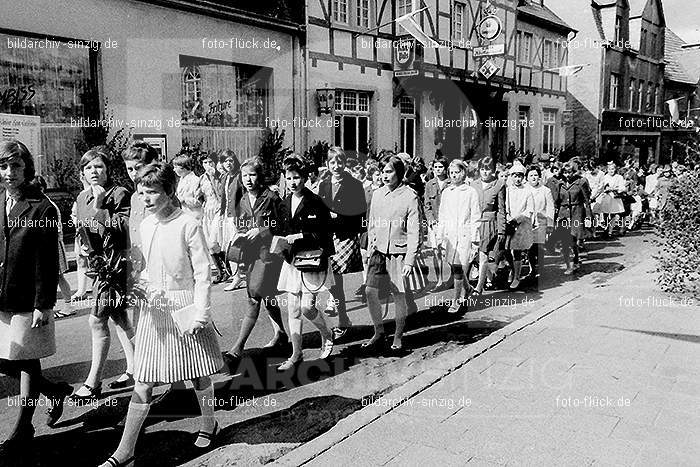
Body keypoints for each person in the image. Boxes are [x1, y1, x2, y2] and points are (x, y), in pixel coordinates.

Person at [98, 163, 222, 467]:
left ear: (169, 191)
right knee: (144, 378)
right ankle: (125, 450)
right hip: (154, 309)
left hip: (185, 306)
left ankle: (209, 423)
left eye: (152, 191)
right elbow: (143, 266)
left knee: (197, 372)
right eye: (142, 192)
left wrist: (201, 313)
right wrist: (140, 288)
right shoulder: (146, 225)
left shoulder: (189, 223)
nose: (146, 198)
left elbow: (203, 273)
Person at [0, 140, 72, 452]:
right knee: (5, 359)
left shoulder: (40, 207)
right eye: (3, 166)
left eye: (15, 166)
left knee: (27, 359)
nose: (9, 172)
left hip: (27, 296)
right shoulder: (0, 200)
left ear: (27, 167)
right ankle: (54, 391)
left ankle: (22, 428)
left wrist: (45, 303)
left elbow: (46, 260)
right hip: (0, 293)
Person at [70, 147, 136, 401]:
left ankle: (93, 382)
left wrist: (100, 207)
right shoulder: (82, 197)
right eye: (88, 168)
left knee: (96, 320)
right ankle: (137, 368)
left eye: (98, 167)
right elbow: (83, 230)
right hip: (98, 267)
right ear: (83, 173)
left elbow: (125, 227)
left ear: (108, 171)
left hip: (116, 266)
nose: (93, 172)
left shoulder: (118, 193)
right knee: (120, 318)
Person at [222, 157, 288, 372]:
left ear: (260, 176)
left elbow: (283, 223)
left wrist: (260, 231)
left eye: (252, 175)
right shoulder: (241, 200)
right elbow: (241, 224)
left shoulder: (271, 197)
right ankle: (282, 335)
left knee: (253, 298)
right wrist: (241, 236)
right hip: (250, 256)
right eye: (245, 176)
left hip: (268, 256)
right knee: (267, 296)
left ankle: (237, 348)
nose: (248, 180)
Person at [276, 156, 335, 371]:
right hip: (292, 262)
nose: (293, 182)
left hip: (312, 261)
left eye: (297, 177)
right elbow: (280, 230)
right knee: (292, 309)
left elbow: (324, 233)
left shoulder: (315, 202)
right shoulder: (283, 203)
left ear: (305, 177)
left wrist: (300, 236)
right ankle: (296, 354)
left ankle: (327, 334)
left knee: (307, 308)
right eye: (289, 178)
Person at [364, 155, 421, 352]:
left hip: (399, 253)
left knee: (398, 295)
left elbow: (415, 231)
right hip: (378, 252)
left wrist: (409, 260)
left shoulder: (410, 196)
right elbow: (372, 224)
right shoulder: (378, 194)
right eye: (382, 172)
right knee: (369, 292)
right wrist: (371, 246)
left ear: (399, 173)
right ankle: (379, 331)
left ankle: (398, 335)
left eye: (389, 171)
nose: (384, 176)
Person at [317, 147, 366, 340]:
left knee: (336, 276)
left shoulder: (354, 184)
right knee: (333, 281)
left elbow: (361, 215)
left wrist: (340, 218)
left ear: (345, 163)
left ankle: (342, 320)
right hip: (329, 236)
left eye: (339, 162)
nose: (336, 166)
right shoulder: (324, 184)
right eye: (332, 163)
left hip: (345, 236)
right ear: (327, 165)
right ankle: (343, 318)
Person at [436, 159, 481, 313]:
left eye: (457, 172)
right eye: (452, 173)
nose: (454, 176)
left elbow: (475, 216)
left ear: (463, 173)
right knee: (453, 264)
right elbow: (442, 215)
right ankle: (468, 288)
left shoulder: (470, 192)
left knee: (457, 266)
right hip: (449, 234)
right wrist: (440, 237)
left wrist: (475, 239)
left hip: (464, 234)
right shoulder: (447, 192)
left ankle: (455, 301)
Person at [34, 176, 73, 319]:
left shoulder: (48, 205)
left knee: (58, 277)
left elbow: (53, 230)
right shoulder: (40, 204)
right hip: (49, 245)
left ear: (42, 189)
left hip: (54, 245)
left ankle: (68, 305)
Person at [471, 157, 506, 294]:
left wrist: (501, 230)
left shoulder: (499, 184)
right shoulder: (473, 185)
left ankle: (479, 286)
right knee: (473, 255)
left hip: (489, 223)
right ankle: (490, 276)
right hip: (474, 223)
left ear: (493, 170)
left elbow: (501, 210)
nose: (485, 172)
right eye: (482, 169)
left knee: (483, 255)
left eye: (488, 169)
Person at [552, 161, 592, 275]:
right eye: (565, 172)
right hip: (563, 213)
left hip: (576, 213)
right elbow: (556, 201)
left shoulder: (581, 182)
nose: (567, 175)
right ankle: (570, 263)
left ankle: (575, 259)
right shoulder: (559, 183)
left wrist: (588, 217)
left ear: (574, 172)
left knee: (573, 239)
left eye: (569, 172)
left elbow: (586, 201)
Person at [199, 153, 229, 284]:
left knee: (214, 241)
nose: (208, 165)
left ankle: (228, 269)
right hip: (207, 211)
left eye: (210, 162)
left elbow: (221, 193)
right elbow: (200, 195)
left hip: (218, 209)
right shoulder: (201, 178)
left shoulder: (219, 176)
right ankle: (221, 272)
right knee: (209, 244)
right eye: (205, 163)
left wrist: (213, 176)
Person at [505, 161, 535, 289]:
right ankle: (513, 269)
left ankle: (517, 276)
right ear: (511, 177)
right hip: (508, 223)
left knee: (517, 251)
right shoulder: (507, 190)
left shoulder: (527, 191)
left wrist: (517, 219)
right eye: (515, 176)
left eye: (520, 176)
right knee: (506, 250)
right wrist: (508, 216)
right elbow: (504, 206)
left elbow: (529, 210)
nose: (517, 179)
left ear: (523, 177)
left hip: (521, 225)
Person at [424, 156, 451, 293]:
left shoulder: (451, 183)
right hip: (434, 223)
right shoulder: (429, 184)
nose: (438, 170)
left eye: (441, 167)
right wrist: (431, 221)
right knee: (436, 251)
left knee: (449, 251)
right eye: (436, 167)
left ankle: (452, 277)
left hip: (449, 223)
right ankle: (440, 280)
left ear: (446, 168)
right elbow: (427, 205)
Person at [219, 150, 244, 291]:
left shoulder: (239, 177)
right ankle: (237, 277)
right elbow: (224, 199)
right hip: (228, 218)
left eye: (230, 160)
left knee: (238, 247)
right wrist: (221, 215)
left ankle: (241, 276)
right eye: (225, 161)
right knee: (230, 247)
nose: (228, 163)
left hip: (239, 217)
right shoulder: (225, 177)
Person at [525, 165, 555, 282]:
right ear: (527, 178)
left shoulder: (545, 190)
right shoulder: (525, 189)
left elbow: (550, 208)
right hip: (528, 223)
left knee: (540, 247)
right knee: (530, 248)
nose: (533, 178)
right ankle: (532, 270)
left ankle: (541, 269)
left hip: (541, 222)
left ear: (539, 177)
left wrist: (550, 225)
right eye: (531, 175)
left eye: (535, 175)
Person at [595, 161, 626, 237]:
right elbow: (600, 187)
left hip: (615, 197)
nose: (611, 171)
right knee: (605, 213)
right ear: (607, 170)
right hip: (606, 197)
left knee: (614, 214)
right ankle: (605, 228)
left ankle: (610, 231)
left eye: (613, 169)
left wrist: (616, 188)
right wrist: (606, 189)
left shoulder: (619, 177)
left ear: (615, 169)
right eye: (609, 169)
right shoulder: (604, 177)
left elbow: (623, 188)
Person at [173, 154, 203, 220]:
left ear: (183, 167)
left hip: (194, 216)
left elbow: (200, 201)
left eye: (175, 167)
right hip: (184, 214)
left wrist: (184, 200)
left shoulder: (195, 180)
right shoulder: (181, 180)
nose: (174, 170)